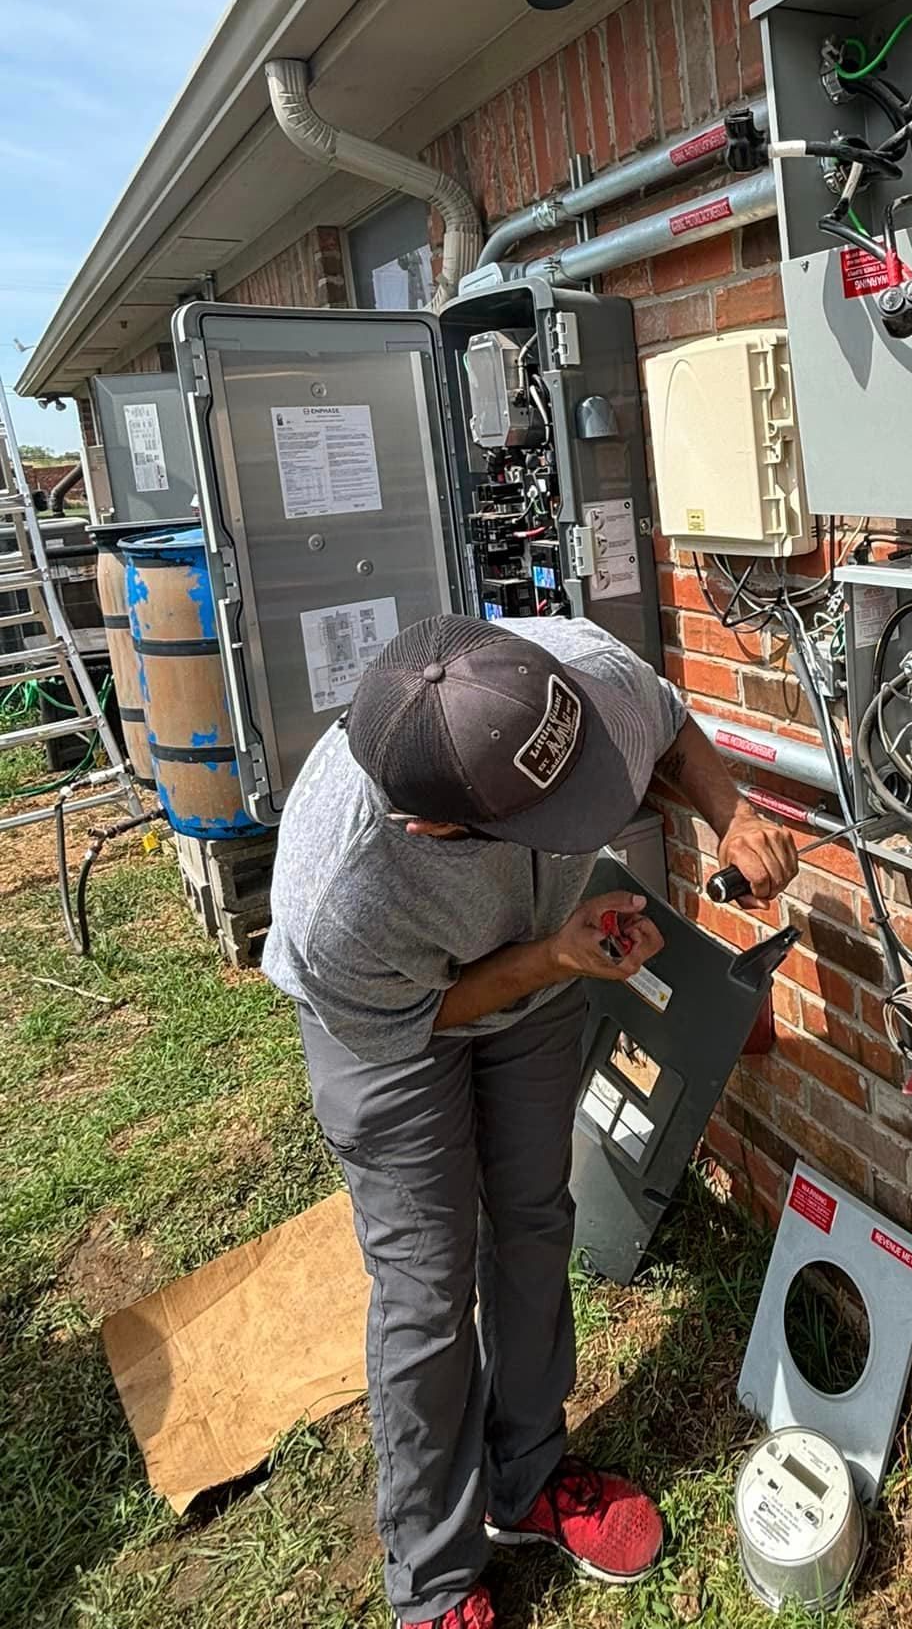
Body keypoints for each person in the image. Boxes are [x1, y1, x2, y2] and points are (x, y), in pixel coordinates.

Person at [264, 612, 799, 1629]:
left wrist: (728, 814)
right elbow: (426, 1014)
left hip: (535, 964)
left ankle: (528, 1476)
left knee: (533, 1220)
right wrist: (550, 957)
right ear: (438, 829)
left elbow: (671, 726)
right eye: (550, 809)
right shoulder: (340, 891)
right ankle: (431, 1577)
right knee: (427, 1290)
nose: (592, 808)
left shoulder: (576, 678)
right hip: (394, 1023)